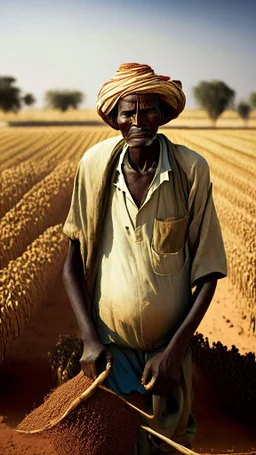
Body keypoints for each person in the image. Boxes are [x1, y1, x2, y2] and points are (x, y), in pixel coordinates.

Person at [62, 63, 227, 454]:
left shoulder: (191, 170)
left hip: (167, 355)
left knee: (168, 445)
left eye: (149, 109)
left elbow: (208, 270)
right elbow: (72, 262)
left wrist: (174, 352)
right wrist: (88, 340)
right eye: (128, 111)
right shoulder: (94, 168)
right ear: (115, 118)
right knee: (110, 443)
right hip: (108, 353)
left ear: (164, 114)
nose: (139, 121)